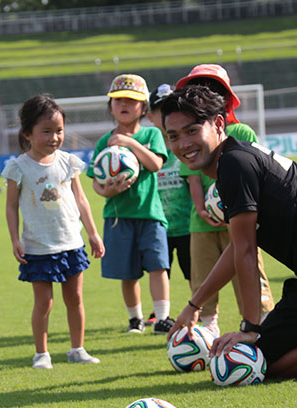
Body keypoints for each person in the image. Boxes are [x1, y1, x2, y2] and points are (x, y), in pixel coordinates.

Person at [163, 85, 297, 378]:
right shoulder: (239, 157)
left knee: (258, 363)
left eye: (191, 131)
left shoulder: (233, 165)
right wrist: (194, 304)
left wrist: (251, 328)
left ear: (218, 124)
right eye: (173, 136)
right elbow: (237, 248)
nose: (183, 144)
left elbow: (244, 250)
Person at [4, 94, 105, 370]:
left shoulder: (68, 162)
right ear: (27, 133)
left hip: (71, 242)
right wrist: (15, 238)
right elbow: (11, 207)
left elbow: (81, 199)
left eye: (59, 130)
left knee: (75, 299)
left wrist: (93, 233)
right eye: (46, 131)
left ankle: (77, 349)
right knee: (44, 303)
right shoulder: (18, 167)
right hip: (38, 247)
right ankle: (41, 354)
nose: (54, 137)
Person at [175, 64, 274, 337]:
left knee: (249, 271)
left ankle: (262, 323)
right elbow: (192, 177)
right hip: (202, 222)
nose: (206, 93)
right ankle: (207, 331)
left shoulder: (241, 133)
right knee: (203, 277)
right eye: (198, 88)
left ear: (227, 96)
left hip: (241, 218)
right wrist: (201, 209)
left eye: (214, 88)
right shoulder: (189, 136)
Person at [87, 74, 174, 335]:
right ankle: (135, 319)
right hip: (118, 216)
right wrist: (107, 189)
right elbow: (95, 181)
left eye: (132, 100)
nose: (124, 105)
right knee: (128, 273)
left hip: (150, 214)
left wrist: (129, 143)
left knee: (159, 266)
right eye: (118, 100)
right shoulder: (104, 141)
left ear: (144, 106)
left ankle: (162, 318)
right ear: (110, 105)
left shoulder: (151, 135)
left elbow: (156, 164)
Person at [145, 84, 194, 325]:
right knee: (159, 271)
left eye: (170, 109)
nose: (165, 116)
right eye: (160, 110)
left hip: (187, 223)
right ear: (150, 116)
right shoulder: (147, 146)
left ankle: (201, 311)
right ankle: (160, 314)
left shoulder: (187, 145)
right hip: (158, 225)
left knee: (193, 273)